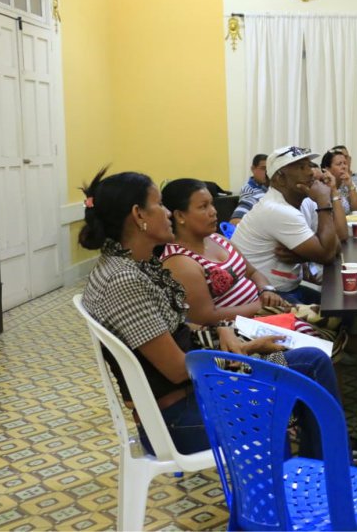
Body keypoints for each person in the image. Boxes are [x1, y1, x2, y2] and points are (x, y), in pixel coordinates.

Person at [78, 168, 340, 458]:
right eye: (159, 204)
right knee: (278, 396)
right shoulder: (124, 280)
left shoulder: (135, 265)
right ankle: (309, 474)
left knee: (311, 360)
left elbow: (173, 326)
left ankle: (326, 467)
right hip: (179, 415)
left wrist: (222, 330)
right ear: (139, 215)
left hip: (200, 388)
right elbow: (178, 369)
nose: (167, 212)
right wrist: (248, 348)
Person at [159, 179, 337, 341]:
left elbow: (252, 272)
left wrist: (266, 290)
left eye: (212, 204)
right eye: (203, 207)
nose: (213, 211)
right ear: (180, 216)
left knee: (331, 320)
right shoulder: (180, 262)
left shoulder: (217, 239)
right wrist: (259, 306)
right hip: (238, 331)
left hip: (263, 311)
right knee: (315, 341)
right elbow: (205, 317)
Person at [230, 146, 343, 304]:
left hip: (289, 288)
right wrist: (324, 201)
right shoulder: (277, 209)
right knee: (335, 312)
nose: (311, 172)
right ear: (280, 179)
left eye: (309, 166)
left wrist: (303, 256)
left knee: (340, 304)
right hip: (264, 296)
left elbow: (335, 246)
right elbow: (328, 254)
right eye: (301, 168)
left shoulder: (303, 202)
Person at [320, 150, 357, 214]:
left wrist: (350, 185)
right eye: (339, 164)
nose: (344, 167)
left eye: (345, 163)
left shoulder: (348, 183)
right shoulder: (322, 188)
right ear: (327, 169)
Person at [229, 153, 268, 225]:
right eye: (263, 168)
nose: (267, 172)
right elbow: (238, 221)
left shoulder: (269, 188)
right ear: (253, 169)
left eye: (269, 169)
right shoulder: (248, 191)